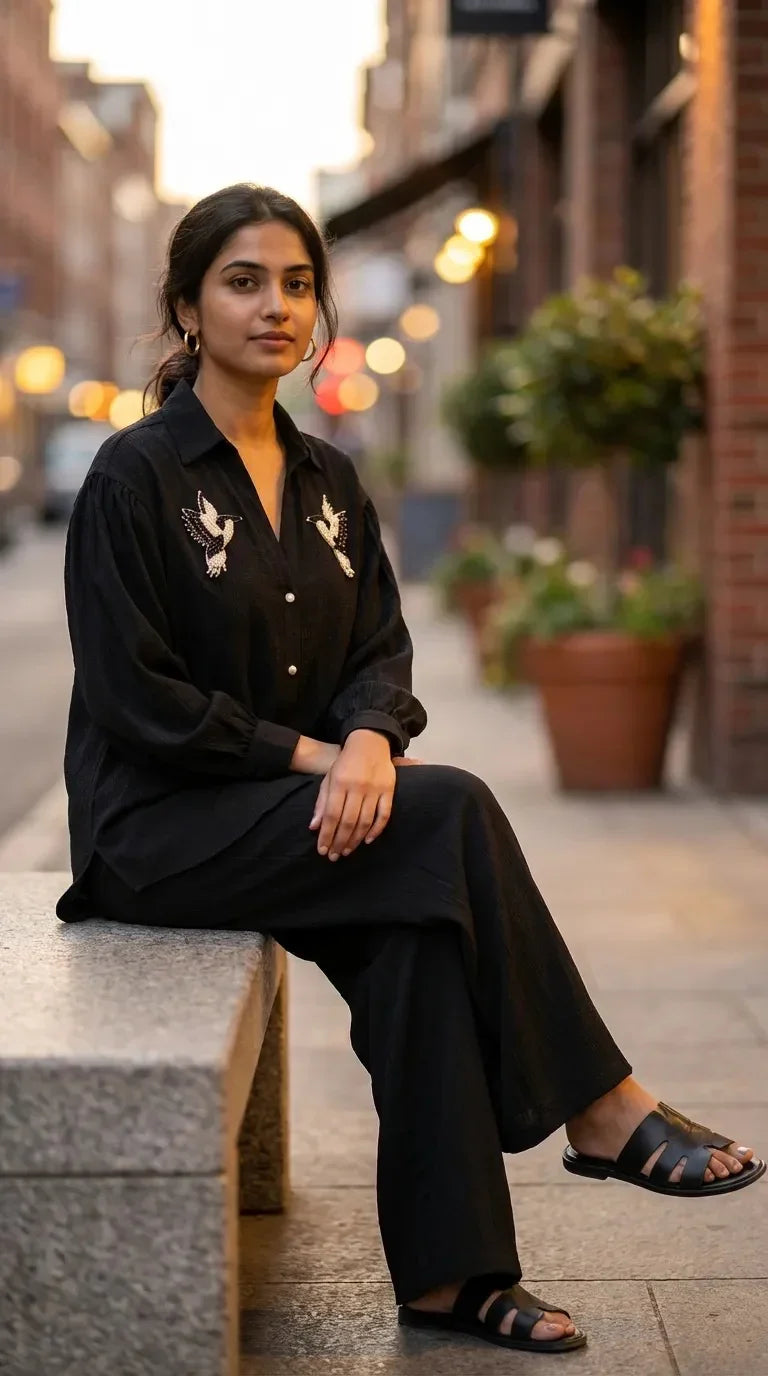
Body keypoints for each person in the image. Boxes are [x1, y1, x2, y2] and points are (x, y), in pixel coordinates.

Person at [56, 184, 764, 1358]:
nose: (276, 306)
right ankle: (603, 1106)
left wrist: (374, 738)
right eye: (243, 282)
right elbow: (139, 699)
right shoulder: (135, 477)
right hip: (161, 830)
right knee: (455, 809)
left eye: (296, 283)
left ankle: (453, 1277)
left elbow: (380, 649)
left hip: (294, 814)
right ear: (186, 307)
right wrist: (320, 754)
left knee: (422, 931)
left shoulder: (329, 477)